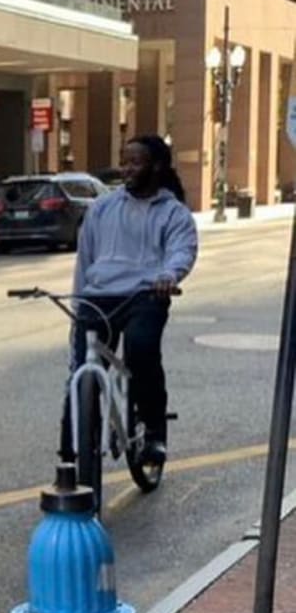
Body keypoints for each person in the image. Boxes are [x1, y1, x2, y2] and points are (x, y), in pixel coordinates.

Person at [61, 134, 198, 465]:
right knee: (82, 374)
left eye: (135, 162)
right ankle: (68, 461)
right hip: (98, 299)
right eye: (124, 162)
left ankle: (153, 432)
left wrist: (169, 275)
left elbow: (182, 249)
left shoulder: (173, 213)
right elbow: (86, 259)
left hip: (145, 295)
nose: (127, 169)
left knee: (141, 348)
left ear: (157, 166)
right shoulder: (103, 209)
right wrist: (79, 306)